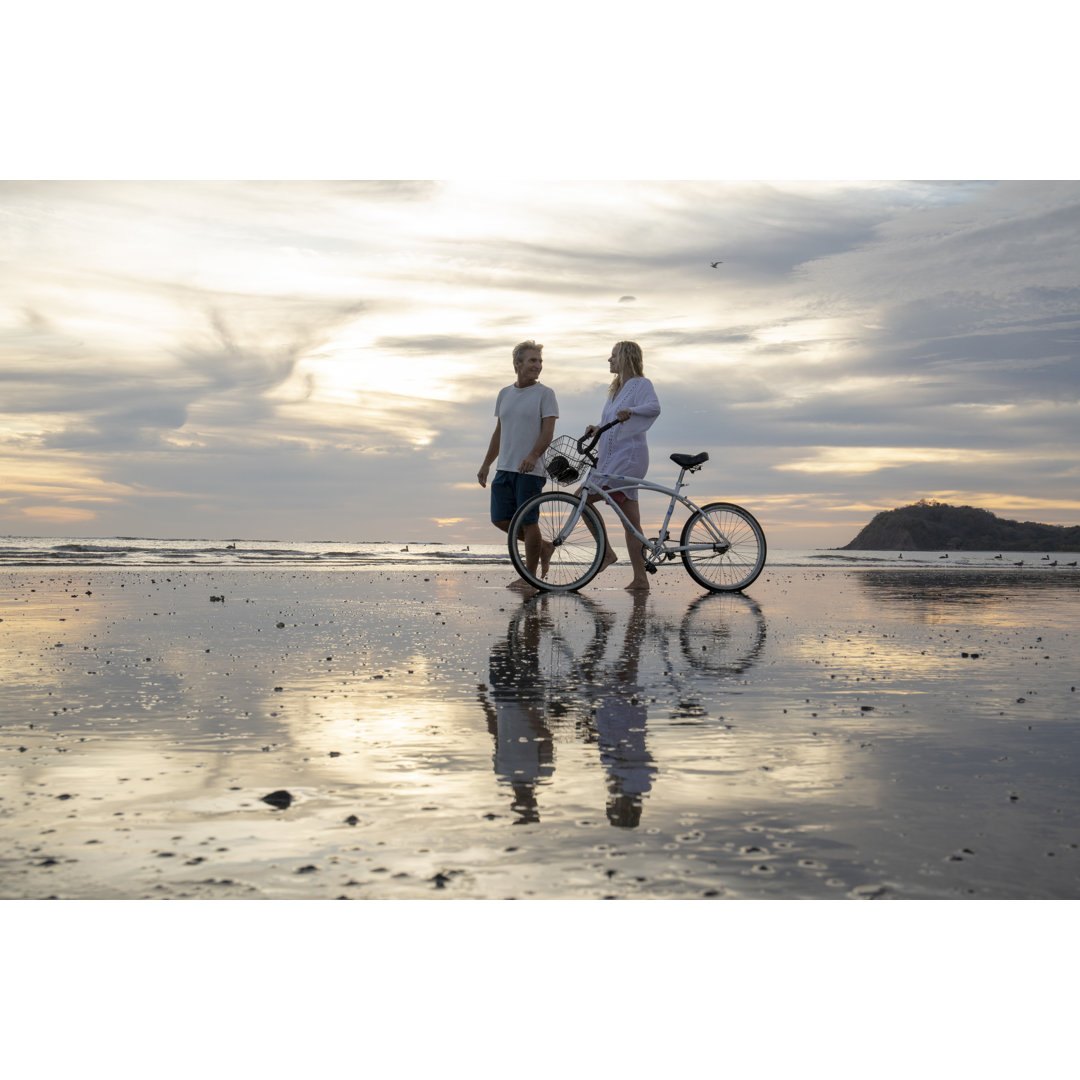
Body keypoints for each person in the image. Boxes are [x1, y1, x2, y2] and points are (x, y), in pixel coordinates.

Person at [478, 340, 559, 590]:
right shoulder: (505, 393)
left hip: (530, 471)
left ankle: (530, 577)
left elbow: (547, 433)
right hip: (505, 468)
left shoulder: (545, 394)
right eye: (533, 360)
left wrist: (534, 456)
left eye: (540, 361)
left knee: (527, 521)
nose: (538, 366)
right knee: (500, 519)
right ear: (517, 364)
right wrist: (486, 464)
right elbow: (499, 432)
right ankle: (543, 547)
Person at [583, 340, 661, 591]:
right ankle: (641, 579)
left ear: (626, 358)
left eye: (613, 356)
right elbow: (611, 422)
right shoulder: (616, 389)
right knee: (631, 524)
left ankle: (606, 553)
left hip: (627, 459)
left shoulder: (640, 384)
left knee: (581, 499)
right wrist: (597, 427)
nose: (609, 360)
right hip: (612, 459)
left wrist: (632, 410)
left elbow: (653, 408)